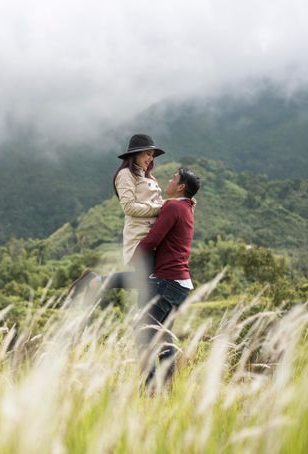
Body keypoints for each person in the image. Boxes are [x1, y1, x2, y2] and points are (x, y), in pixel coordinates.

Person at [68, 134, 164, 298]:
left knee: (150, 283)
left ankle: (145, 321)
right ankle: (96, 281)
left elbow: (159, 203)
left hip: (156, 237)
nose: (150, 158)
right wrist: (160, 208)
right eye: (147, 153)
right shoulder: (125, 174)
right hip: (140, 236)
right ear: (136, 154)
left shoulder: (150, 177)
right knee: (145, 281)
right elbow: (129, 207)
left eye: (152, 154)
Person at [135, 167, 201, 390]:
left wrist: (135, 256)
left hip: (166, 280)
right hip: (180, 283)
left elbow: (153, 238)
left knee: (143, 332)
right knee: (163, 335)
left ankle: (152, 388)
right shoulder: (187, 207)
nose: (170, 180)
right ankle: (165, 386)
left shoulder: (173, 206)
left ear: (181, 186)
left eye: (174, 178)